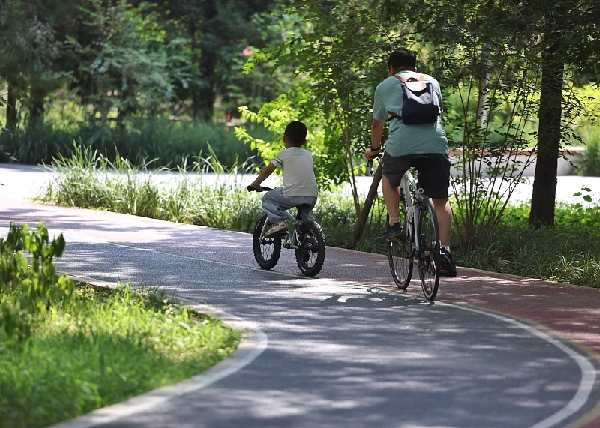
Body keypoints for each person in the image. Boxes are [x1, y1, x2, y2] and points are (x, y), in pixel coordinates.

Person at [364, 48, 457, 277]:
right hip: (436, 144)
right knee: (441, 200)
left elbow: (378, 124)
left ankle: (395, 223)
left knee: (389, 177)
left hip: (401, 145)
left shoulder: (386, 85)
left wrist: (374, 150)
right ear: (415, 68)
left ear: (391, 69)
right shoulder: (432, 81)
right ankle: (444, 251)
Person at [249, 120, 318, 237]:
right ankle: (307, 239)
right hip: (312, 195)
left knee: (267, 198)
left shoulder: (283, 154)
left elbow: (267, 170)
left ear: (284, 138)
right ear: (304, 142)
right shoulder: (308, 154)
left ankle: (279, 222)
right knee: (304, 219)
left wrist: (256, 184)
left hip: (292, 194)